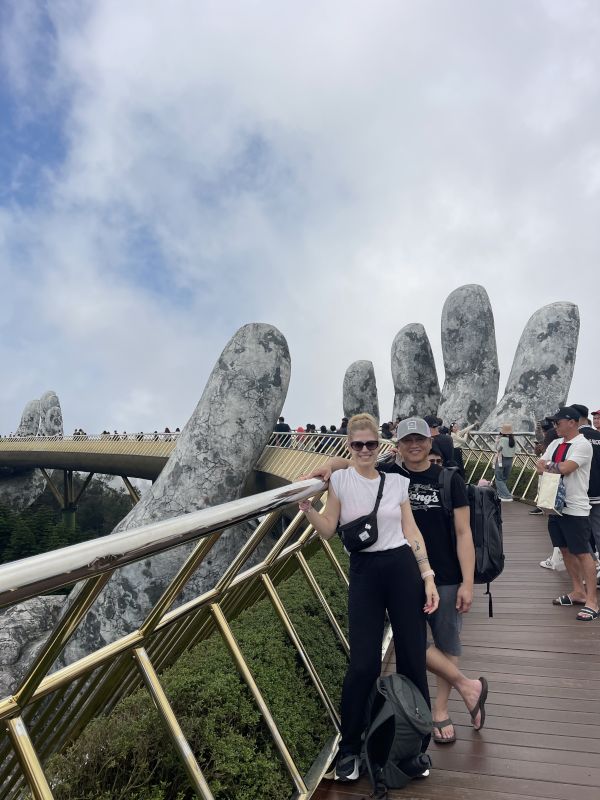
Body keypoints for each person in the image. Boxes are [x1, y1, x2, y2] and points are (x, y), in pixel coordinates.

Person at [301, 417, 489, 747]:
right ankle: (464, 687)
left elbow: (462, 533)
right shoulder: (392, 473)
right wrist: (327, 466)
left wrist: (467, 582)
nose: (414, 445)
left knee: (436, 646)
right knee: (393, 653)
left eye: (419, 439)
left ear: (430, 442)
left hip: (441, 574)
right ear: (397, 446)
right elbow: (355, 461)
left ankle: (437, 715)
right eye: (406, 441)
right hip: (397, 571)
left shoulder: (447, 479)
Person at [298, 413, 438, 782]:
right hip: (364, 572)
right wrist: (309, 508)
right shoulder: (340, 481)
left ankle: (413, 748)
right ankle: (350, 749)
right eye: (357, 444)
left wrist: (427, 576)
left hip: (402, 570)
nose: (364, 450)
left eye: (370, 444)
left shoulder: (396, 482)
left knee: (412, 657)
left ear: (380, 447)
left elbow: (411, 532)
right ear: (349, 446)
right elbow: (329, 530)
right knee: (363, 665)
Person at [536, 406, 597, 621]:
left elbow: (567, 468)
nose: (555, 426)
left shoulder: (583, 445)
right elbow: (539, 465)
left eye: (558, 422)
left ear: (571, 422)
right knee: (564, 549)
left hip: (575, 507)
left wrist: (551, 465)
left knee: (583, 552)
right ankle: (577, 591)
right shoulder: (555, 443)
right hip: (554, 505)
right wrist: (554, 465)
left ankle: (592, 600)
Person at [571, 405, 600, 583]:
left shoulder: (577, 439)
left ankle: (591, 567)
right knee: (598, 530)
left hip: (580, 492)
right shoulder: (598, 437)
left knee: (580, 532)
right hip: (599, 492)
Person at [494, 424, 516, 502]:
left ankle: (507, 496)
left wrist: (497, 441)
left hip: (501, 460)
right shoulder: (513, 439)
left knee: (498, 478)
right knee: (504, 478)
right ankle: (501, 495)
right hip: (509, 460)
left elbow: (497, 449)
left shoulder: (502, 439)